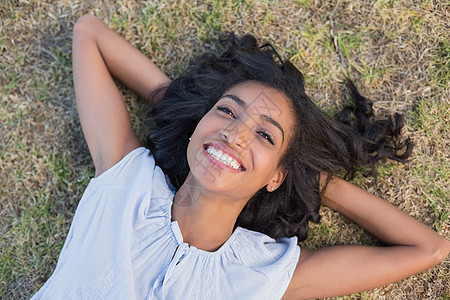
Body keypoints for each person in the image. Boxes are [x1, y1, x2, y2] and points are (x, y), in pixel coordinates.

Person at [32, 14, 449, 299]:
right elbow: (89, 33)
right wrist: (187, 108)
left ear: (275, 176)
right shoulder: (127, 182)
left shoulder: (261, 274)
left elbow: (427, 249)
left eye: (265, 136)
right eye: (227, 111)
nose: (235, 133)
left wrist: (308, 178)